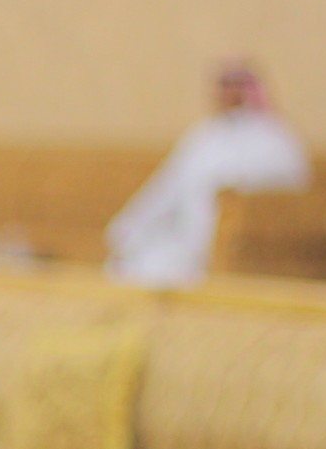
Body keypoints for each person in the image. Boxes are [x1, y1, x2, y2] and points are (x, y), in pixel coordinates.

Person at [107, 59, 310, 287]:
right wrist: (129, 226)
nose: (230, 91)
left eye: (236, 84)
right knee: (142, 267)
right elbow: (166, 188)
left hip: (246, 251)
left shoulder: (275, 138)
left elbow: (286, 199)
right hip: (190, 242)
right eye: (225, 85)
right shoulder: (203, 136)